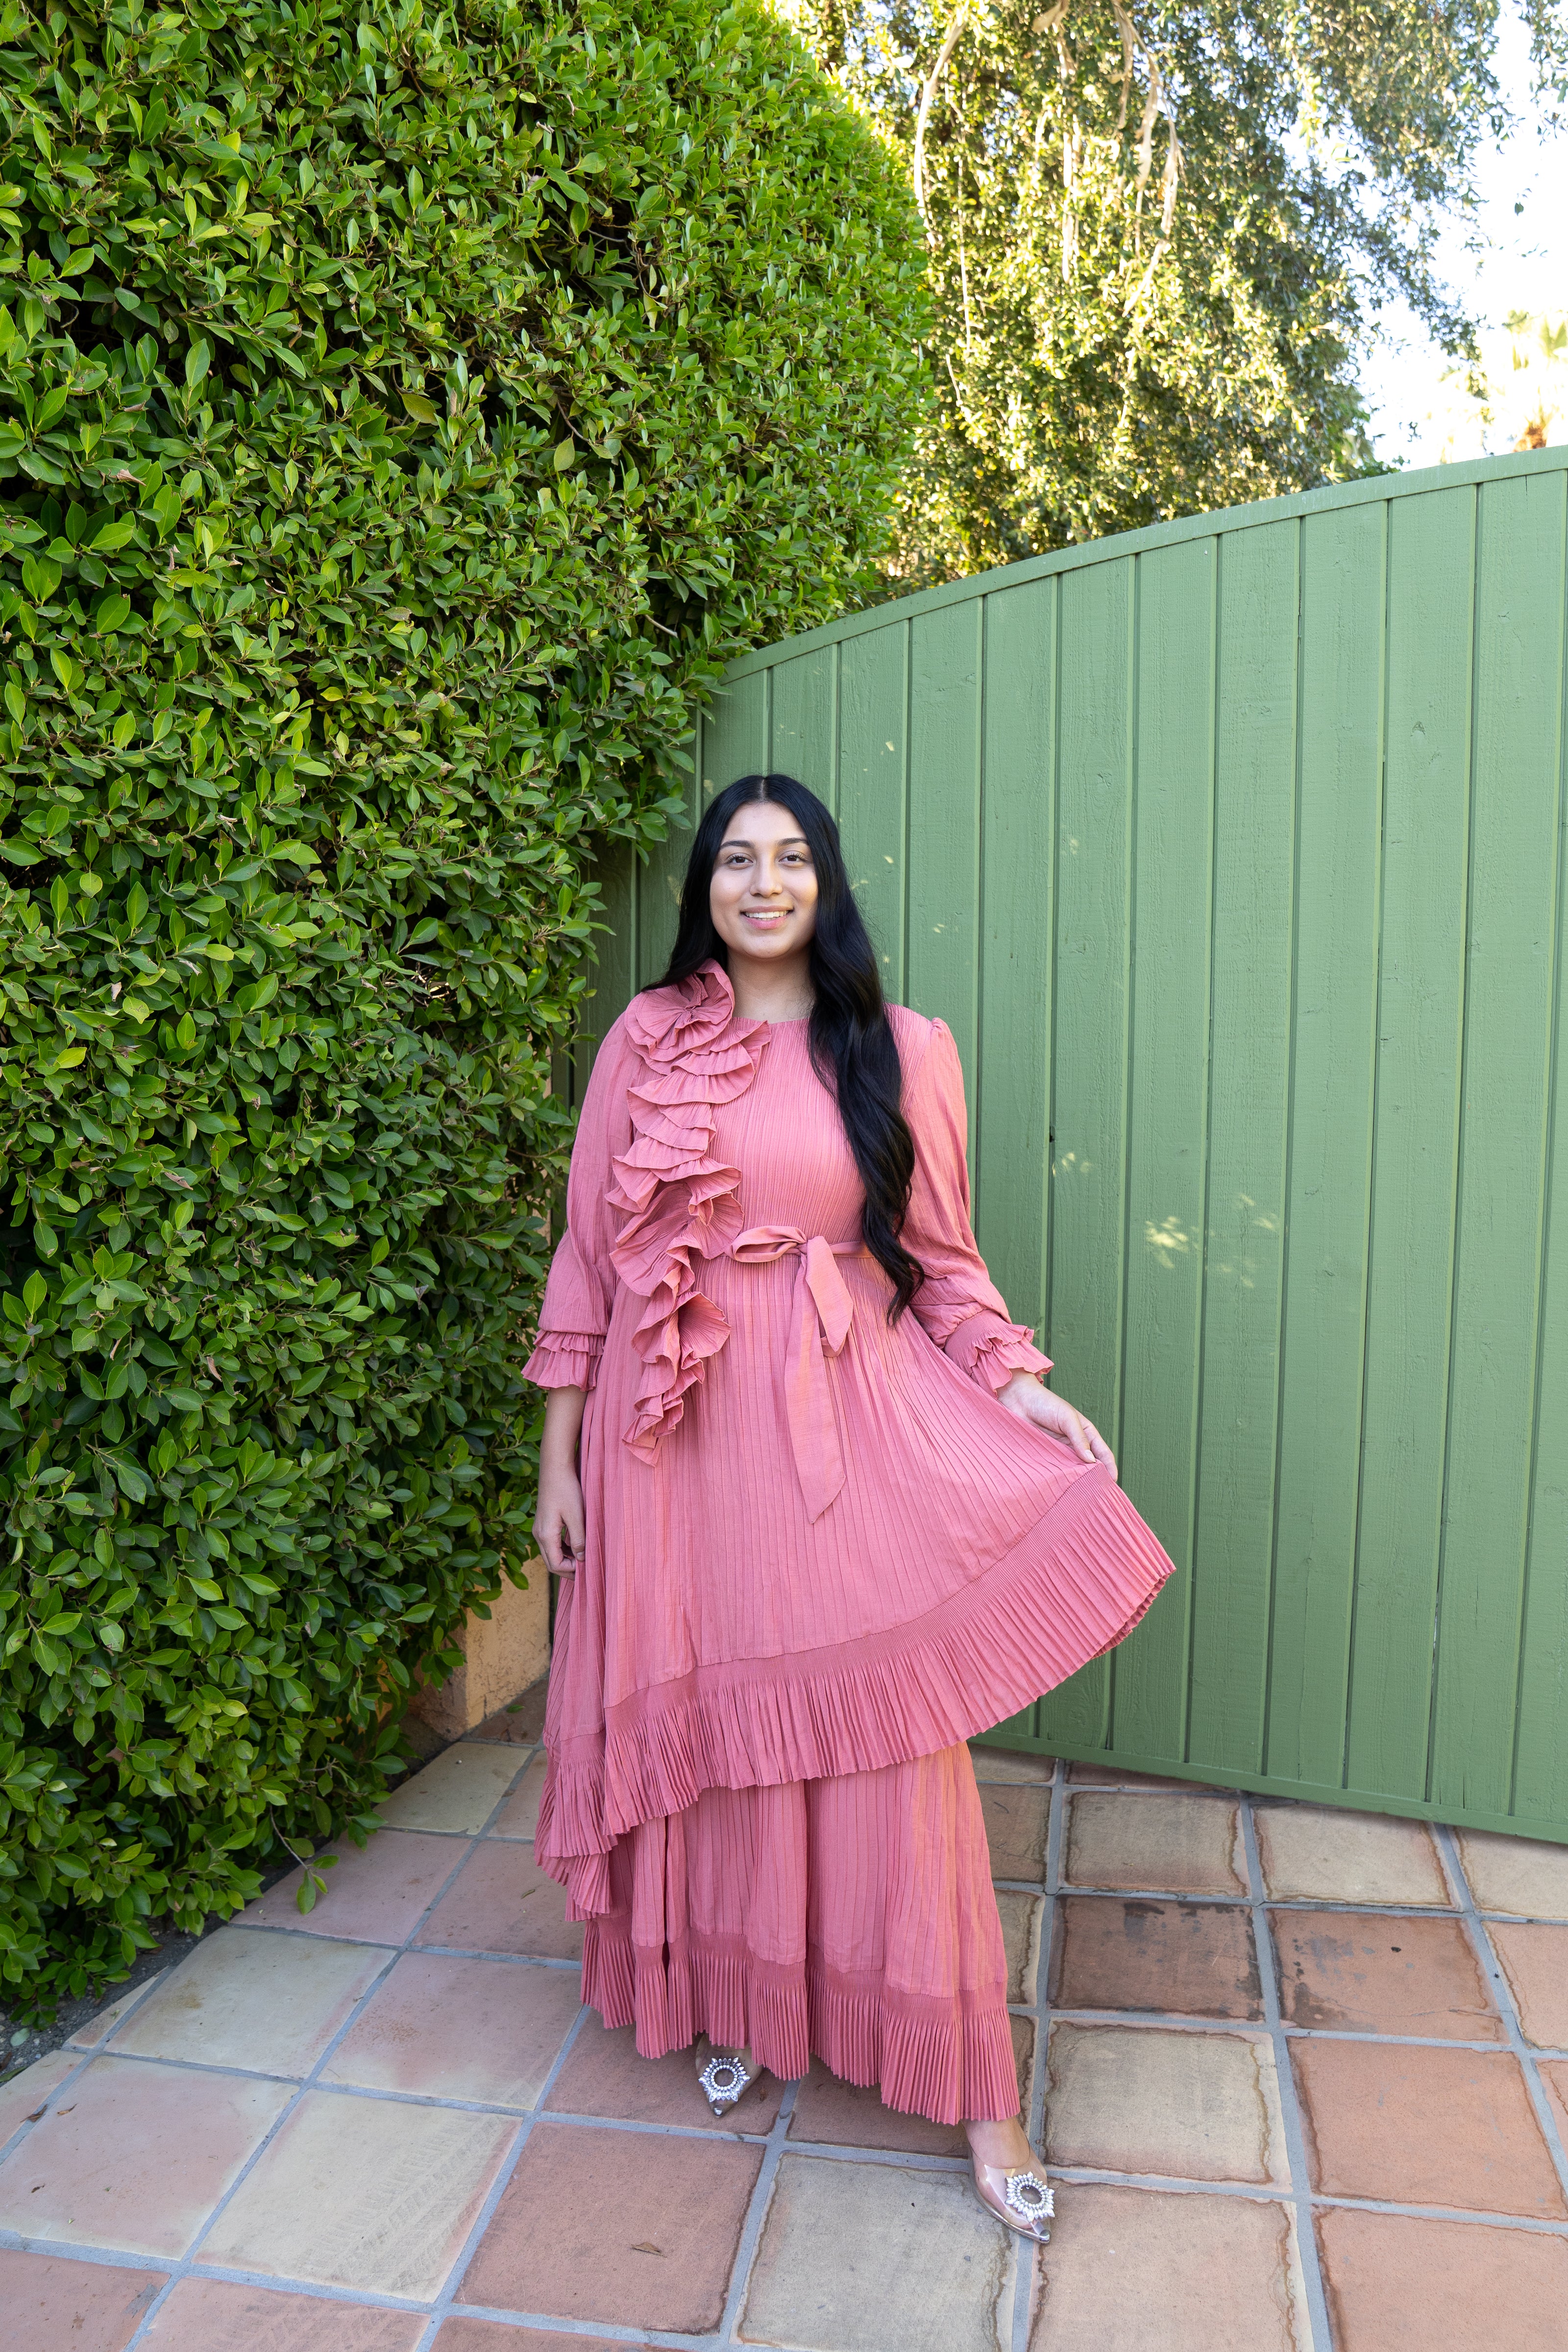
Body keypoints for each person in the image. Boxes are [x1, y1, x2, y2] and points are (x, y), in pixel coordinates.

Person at [527, 774, 1173, 2240]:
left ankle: (978, 2089)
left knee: (888, 1746)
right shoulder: (647, 1036)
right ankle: (739, 1992)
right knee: (717, 1732)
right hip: (665, 1444)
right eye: (737, 860)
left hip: (831, 1428)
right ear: (706, 885)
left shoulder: (900, 1048)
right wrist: (555, 1460)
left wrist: (1015, 1385)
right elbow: (585, 1256)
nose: (763, 883)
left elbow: (943, 1262)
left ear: (826, 884)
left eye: (792, 858)